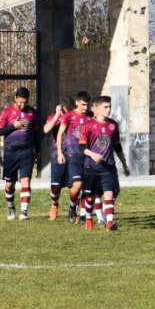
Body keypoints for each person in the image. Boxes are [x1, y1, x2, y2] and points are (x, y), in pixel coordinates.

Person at [78, 96, 131, 231]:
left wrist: (124, 164)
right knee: (89, 198)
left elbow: (117, 146)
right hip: (91, 167)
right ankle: (89, 218)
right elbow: (82, 148)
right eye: (105, 107)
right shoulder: (88, 126)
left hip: (108, 168)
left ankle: (109, 222)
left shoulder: (113, 125)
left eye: (109, 107)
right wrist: (92, 154)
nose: (109, 109)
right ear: (98, 108)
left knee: (109, 195)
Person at [0, 87, 39, 221]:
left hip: (27, 151)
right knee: (10, 184)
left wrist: (38, 150)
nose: (22, 105)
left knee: (26, 181)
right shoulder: (7, 112)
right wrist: (14, 126)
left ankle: (24, 212)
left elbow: (36, 133)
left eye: (25, 102)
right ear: (15, 98)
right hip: (11, 152)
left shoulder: (33, 113)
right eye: (20, 102)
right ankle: (10, 207)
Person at [56, 91, 93, 224]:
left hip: (88, 156)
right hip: (73, 155)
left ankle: (83, 214)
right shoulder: (69, 116)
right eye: (83, 105)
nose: (85, 108)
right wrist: (60, 152)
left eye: (87, 105)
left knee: (88, 187)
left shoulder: (91, 117)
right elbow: (60, 134)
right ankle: (72, 206)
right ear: (77, 102)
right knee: (77, 185)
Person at [43, 98, 70, 220]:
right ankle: (54, 204)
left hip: (72, 154)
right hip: (56, 154)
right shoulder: (53, 117)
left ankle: (73, 209)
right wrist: (57, 115)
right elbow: (46, 130)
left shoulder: (74, 116)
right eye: (64, 111)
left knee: (75, 184)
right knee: (55, 185)